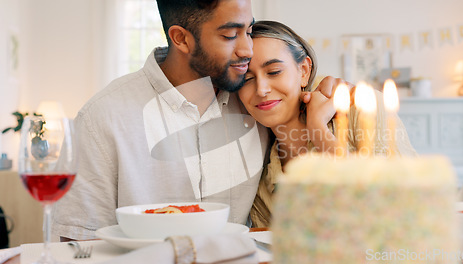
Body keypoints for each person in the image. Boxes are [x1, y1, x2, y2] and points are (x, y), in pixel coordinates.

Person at [52, 0, 271, 240]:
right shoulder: (101, 118)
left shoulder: (258, 103)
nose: (247, 49)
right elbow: (79, 243)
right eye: (230, 35)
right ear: (181, 38)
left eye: (249, 32)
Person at [236, 20, 417, 228]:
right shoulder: (261, 189)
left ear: (303, 70)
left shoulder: (362, 107)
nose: (261, 89)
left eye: (274, 71)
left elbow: (403, 206)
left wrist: (319, 131)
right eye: (246, 79)